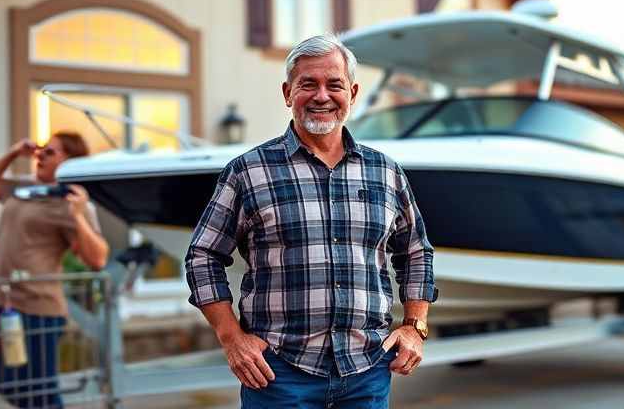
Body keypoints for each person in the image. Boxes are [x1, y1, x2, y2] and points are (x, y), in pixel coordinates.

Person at [185, 34, 437, 408]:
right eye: (308, 84)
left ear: (352, 93)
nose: (322, 96)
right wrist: (231, 339)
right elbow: (202, 256)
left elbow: (417, 253)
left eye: (334, 85)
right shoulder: (248, 171)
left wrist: (415, 327)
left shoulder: (386, 172)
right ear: (288, 93)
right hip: (278, 374)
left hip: (367, 372)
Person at [0, 132, 109, 408]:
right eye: (41, 150)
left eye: (50, 152)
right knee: (1, 378)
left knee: (40, 393)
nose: (39, 155)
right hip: (1, 304)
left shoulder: (73, 202)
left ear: (70, 162)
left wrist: (77, 215)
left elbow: (98, 258)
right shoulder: (22, 189)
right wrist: (13, 152)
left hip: (36, 309)